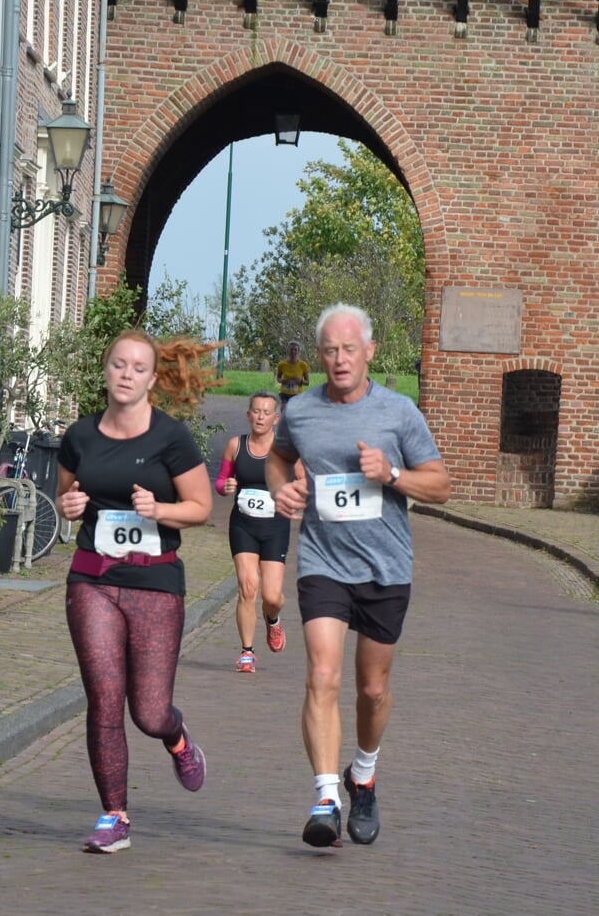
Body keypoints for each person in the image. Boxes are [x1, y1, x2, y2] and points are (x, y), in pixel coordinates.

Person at [267, 303, 450, 849]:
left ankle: (363, 775)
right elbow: (278, 457)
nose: (340, 359)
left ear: (369, 352)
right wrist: (283, 487)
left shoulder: (399, 413)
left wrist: (391, 474)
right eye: (330, 350)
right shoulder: (299, 412)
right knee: (322, 676)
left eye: (350, 349)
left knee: (372, 689)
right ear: (318, 355)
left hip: (385, 567)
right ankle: (326, 796)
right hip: (323, 562)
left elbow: (439, 485)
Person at [56, 329, 214, 853]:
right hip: (93, 580)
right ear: (106, 370)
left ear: (152, 378)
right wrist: (69, 506)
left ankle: (177, 737)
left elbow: (201, 507)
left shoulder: (171, 438)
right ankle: (114, 816)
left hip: (155, 583)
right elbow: (66, 492)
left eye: (138, 367)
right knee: (103, 699)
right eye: (118, 364)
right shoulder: (80, 435)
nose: (126, 374)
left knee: (147, 711)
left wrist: (160, 510)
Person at [215, 391, 297, 673]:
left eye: (266, 412)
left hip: (275, 527)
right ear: (248, 414)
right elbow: (222, 480)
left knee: (271, 597)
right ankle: (247, 652)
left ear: (276, 418)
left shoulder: (285, 449)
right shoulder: (235, 445)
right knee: (248, 587)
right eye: (256, 411)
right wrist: (224, 486)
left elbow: (304, 481)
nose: (260, 416)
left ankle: (273, 620)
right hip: (243, 525)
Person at [275, 341, 310, 407]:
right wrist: (281, 380)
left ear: (298, 351)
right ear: (288, 351)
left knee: (294, 413)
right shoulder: (281, 364)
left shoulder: (303, 365)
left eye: (295, 350)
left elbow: (307, 382)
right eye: (291, 349)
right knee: (284, 411)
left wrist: (301, 381)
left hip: (297, 394)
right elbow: (278, 378)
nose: (293, 351)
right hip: (284, 393)